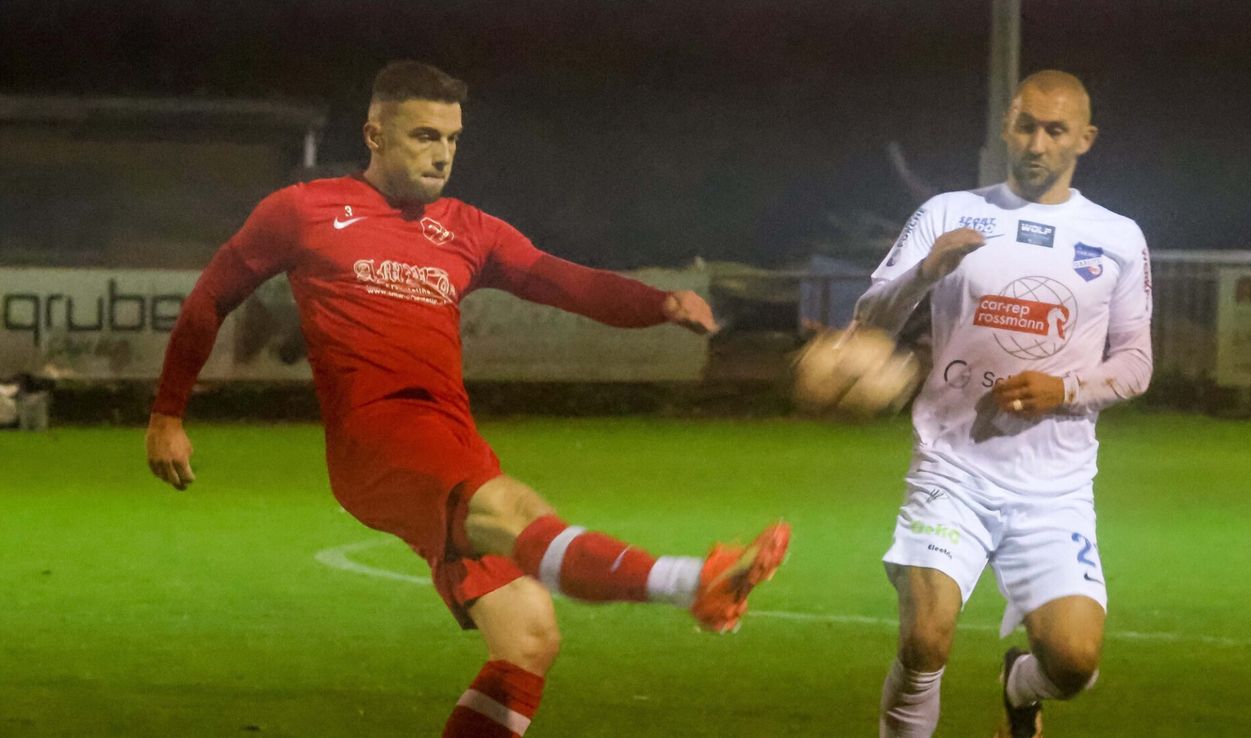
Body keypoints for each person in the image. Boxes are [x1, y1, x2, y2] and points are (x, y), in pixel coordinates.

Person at [145, 60, 790, 737]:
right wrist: (167, 414)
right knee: (518, 511)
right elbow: (209, 298)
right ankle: (694, 582)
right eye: (424, 136)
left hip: (452, 439)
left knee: (529, 639)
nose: (442, 153)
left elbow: (562, 281)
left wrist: (659, 303)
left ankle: (691, 586)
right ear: (375, 135)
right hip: (381, 441)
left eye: (452, 138)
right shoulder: (303, 211)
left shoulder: (468, 229)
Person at [852, 70, 1152, 737]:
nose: (1037, 144)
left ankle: (1021, 684)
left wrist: (1065, 390)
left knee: (1073, 664)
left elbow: (1136, 364)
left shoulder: (1117, 236)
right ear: (1006, 127)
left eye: (1055, 130)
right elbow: (870, 315)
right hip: (951, 470)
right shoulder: (949, 214)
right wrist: (925, 272)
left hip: (1055, 489)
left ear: (1085, 139)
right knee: (924, 641)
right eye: (1026, 126)